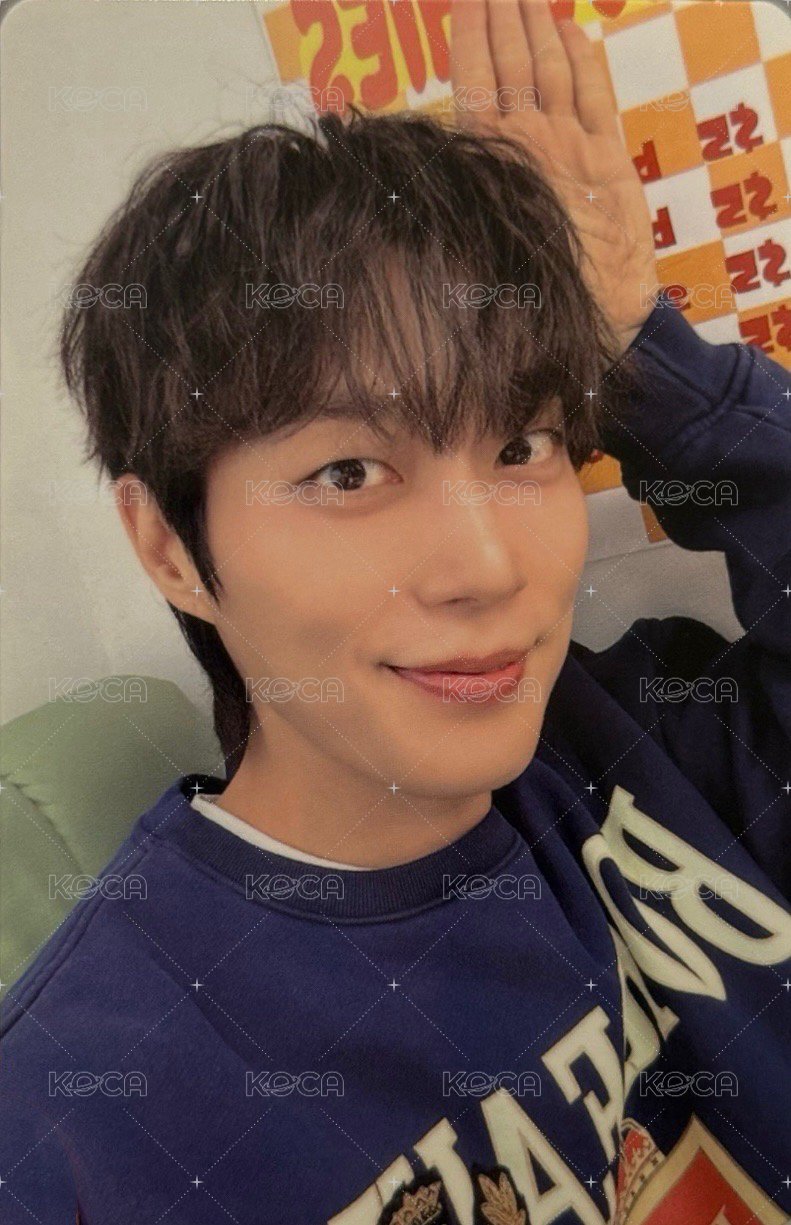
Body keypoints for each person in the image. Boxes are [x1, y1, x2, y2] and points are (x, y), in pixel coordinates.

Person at [2, 2, 789, 1221]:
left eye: (520, 444)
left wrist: (641, 348)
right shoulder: (83, 1122)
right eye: (349, 471)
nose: (485, 565)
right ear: (170, 547)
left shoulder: (658, 745)